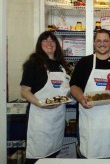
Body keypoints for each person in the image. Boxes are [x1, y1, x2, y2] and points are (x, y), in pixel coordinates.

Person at [70, 29, 110, 158]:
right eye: (99, 40)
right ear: (94, 43)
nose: (102, 44)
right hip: (91, 122)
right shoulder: (84, 63)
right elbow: (74, 86)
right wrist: (81, 99)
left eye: (105, 41)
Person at [20, 31, 71, 164]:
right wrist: (41, 103)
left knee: (52, 155)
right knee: (37, 158)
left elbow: (65, 89)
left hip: (57, 118)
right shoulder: (34, 63)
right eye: (45, 41)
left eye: (52, 41)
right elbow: (25, 91)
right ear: (39, 44)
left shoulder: (61, 65)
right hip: (39, 118)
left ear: (56, 45)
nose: (49, 44)